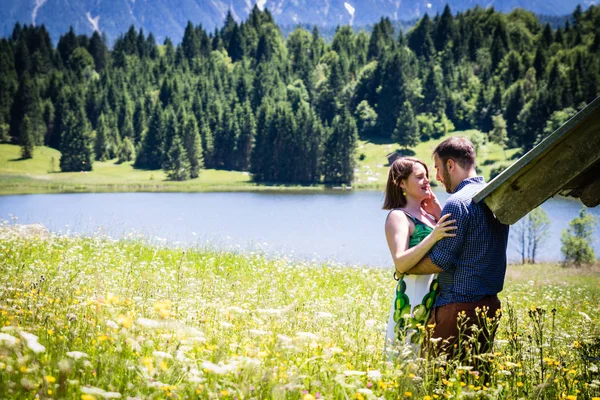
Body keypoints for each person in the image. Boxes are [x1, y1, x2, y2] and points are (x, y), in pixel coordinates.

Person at [403, 137, 510, 369]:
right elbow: (475, 241)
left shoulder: (458, 203)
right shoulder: (494, 195)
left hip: (458, 308)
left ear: (451, 165)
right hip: (489, 306)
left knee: (436, 380)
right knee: (476, 381)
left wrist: (405, 268)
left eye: (439, 169)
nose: (438, 178)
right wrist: (441, 212)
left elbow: (440, 261)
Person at [382, 157, 457, 352]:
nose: (427, 181)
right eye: (419, 177)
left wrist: (438, 211)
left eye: (427, 177)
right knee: (406, 358)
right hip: (413, 296)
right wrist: (432, 237)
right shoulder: (398, 216)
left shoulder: (431, 215)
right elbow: (400, 262)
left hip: (437, 297)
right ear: (401, 183)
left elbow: (453, 240)